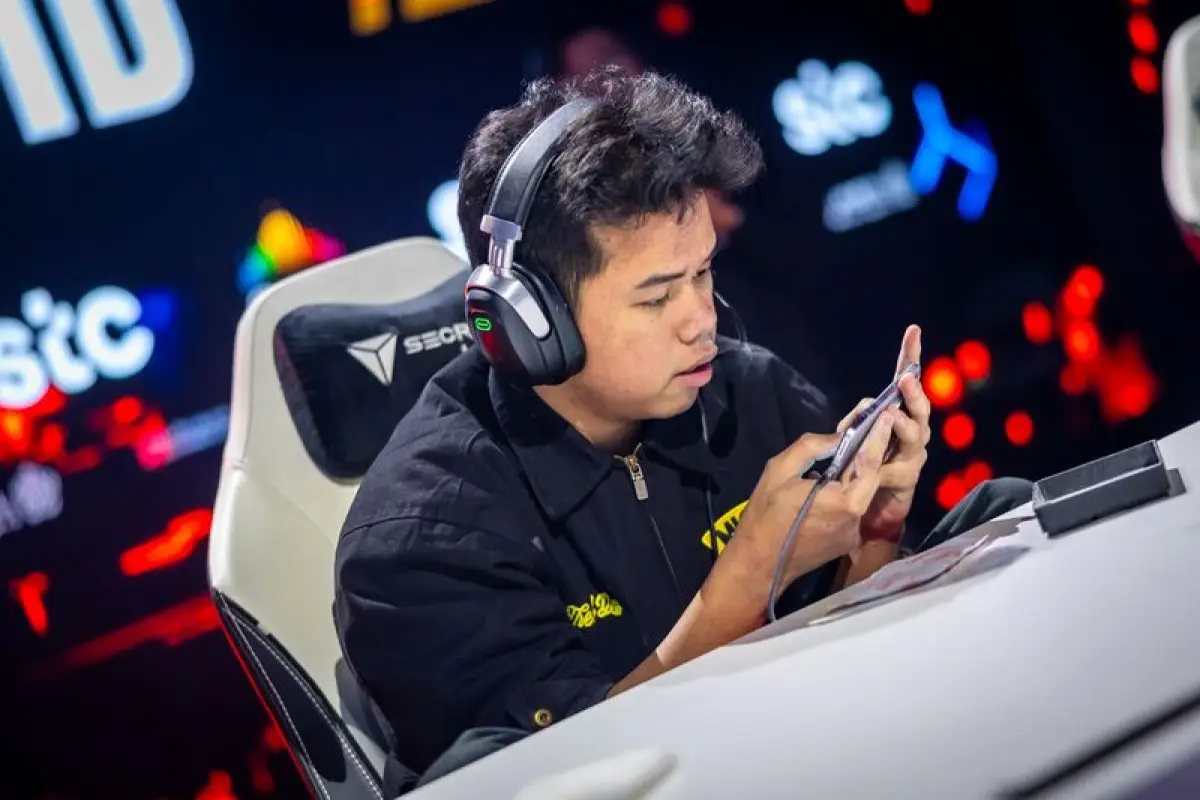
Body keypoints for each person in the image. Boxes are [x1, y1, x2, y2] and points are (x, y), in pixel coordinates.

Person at [333, 67, 1032, 793]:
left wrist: (873, 532)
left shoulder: (751, 393)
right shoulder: (420, 550)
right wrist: (746, 581)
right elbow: (568, 777)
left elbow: (852, 659)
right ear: (528, 319)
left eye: (702, 273)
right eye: (657, 296)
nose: (702, 318)